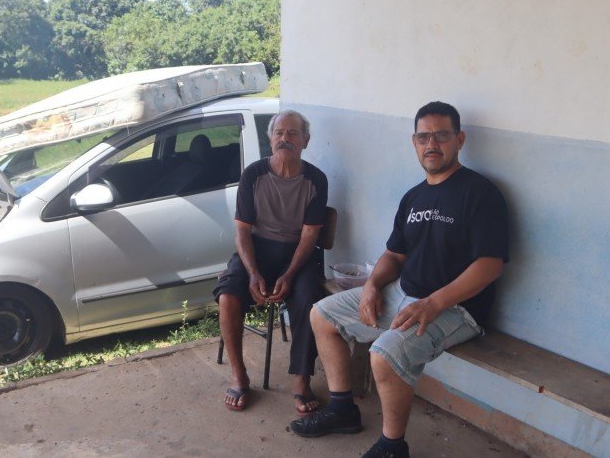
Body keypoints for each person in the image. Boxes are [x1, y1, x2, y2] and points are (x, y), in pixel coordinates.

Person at [290, 102, 508, 458]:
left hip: (456, 307)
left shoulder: (479, 193)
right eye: (423, 136)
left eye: (441, 135)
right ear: (414, 142)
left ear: (460, 139)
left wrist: (434, 302)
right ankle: (342, 409)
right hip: (403, 293)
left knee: (384, 355)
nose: (431, 143)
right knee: (321, 314)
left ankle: (393, 446)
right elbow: (394, 255)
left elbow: (490, 266)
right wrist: (372, 285)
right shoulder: (414, 196)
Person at [214, 110, 328, 414]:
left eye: (292, 133)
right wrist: (252, 273)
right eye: (279, 133)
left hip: (298, 254)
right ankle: (240, 377)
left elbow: (308, 237)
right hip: (257, 250)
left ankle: (302, 381)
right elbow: (242, 231)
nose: (285, 139)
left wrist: (289, 274)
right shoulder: (253, 175)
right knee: (228, 296)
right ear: (270, 138)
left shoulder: (316, 179)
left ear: (306, 140)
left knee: (308, 300)